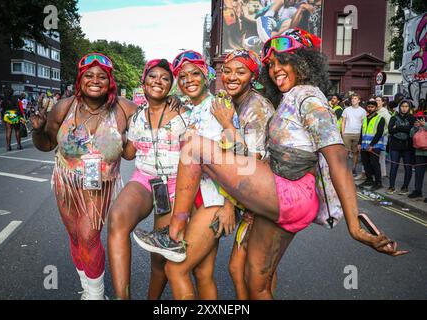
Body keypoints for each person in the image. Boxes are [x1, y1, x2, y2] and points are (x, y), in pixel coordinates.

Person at [134, 29, 408, 300]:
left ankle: (173, 234)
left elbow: (336, 156)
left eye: (284, 60)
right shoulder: (285, 97)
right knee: (256, 282)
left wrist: (354, 224)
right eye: (272, 64)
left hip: (288, 192)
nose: (276, 69)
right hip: (281, 196)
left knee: (194, 147)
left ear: (304, 62)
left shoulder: (307, 97)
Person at [30, 52, 137, 299]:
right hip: (65, 181)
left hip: (101, 184)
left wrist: (175, 105)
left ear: (110, 81)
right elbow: (46, 144)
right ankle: (87, 288)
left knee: (89, 236)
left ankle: (96, 295)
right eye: (89, 75)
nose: (95, 80)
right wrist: (37, 130)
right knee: (76, 237)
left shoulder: (125, 109)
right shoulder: (63, 107)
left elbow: (138, 144)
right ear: (80, 80)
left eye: (102, 76)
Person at [134, 50, 238, 300]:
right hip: (195, 200)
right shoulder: (191, 109)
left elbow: (238, 156)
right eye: (182, 76)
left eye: (195, 74)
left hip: (213, 201)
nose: (188, 79)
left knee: (175, 269)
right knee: (202, 274)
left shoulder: (218, 105)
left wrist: (230, 205)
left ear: (205, 75)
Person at [107, 59, 190, 300]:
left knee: (159, 254)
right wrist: (112, 137)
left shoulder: (182, 114)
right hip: (144, 179)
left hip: (174, 184)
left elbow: (194, 159)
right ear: (143, 83)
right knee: (117, 218)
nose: (158, 81)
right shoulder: (137, 117)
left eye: (165, 78)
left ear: (170, 87)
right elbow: (129, 153)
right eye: (153, 77)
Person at [210, 48, 275, 300]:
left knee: (254, 274)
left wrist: (229, 204)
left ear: (253, 76)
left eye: (241, 71)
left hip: (263, 197)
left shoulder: (255, 107)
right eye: (227, 71)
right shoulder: (237, 103)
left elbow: (251, 161)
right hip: (253, 197)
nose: (232, 77)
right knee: (242, 270)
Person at [386, 100, 415, 194]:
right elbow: (390, 130)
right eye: (402, 106)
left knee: (407, 167)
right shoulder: (394, 117)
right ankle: (391, 186)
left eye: (406, 106)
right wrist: (404, 129)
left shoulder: (412, 118)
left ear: (409, 108)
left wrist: (397, 127)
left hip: (407, 146)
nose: (404, 108)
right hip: (395, 146)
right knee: (394, 166)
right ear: (400, 107)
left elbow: (411, 130)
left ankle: (405, 187)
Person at [357, 101, 386, 191]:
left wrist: (372, 145)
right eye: (368, 107)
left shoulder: (380, 118)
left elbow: (379, 133)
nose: (370, 108)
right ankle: (369, 179)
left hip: (375, 146)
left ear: (376, 108)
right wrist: (359, 143)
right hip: (364, 145)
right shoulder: (365, 118)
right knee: (366, 163)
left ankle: (378, 182)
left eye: (372, 107)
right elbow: (362, 132)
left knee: (375, 164)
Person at [342, 93, 367, 176]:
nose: (353, 100)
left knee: (355, 152)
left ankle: (354, 169)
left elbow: (363, 123)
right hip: (347, 133)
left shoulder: (362, 111)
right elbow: (343, 121)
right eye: (352, 98)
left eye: (355, 98)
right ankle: (345, 168)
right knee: (345, 152)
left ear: (359, 100)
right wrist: (343, 132)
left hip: (357, 133)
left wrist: (362, 135)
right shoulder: (346, 110)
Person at [408, 105, 427, 201]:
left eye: (422, 118)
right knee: (418, 173)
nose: (420, 120)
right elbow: (411, 135)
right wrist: (415, 127)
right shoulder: (417, 126)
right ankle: (417, 191)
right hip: (419, 153)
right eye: (418, 119)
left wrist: (425, 125)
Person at [375, 96, 391, 178]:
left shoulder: (385, 113)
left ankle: (382, 173)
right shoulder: (374, 111)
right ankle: (376, 173)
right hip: (373, 138)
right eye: (376, 100)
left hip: (382, 138)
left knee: (381, 156)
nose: (377, 102)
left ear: (382, 102)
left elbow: (389, 126)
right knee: (374, 157)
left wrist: (383, 133)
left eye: (378, 100)